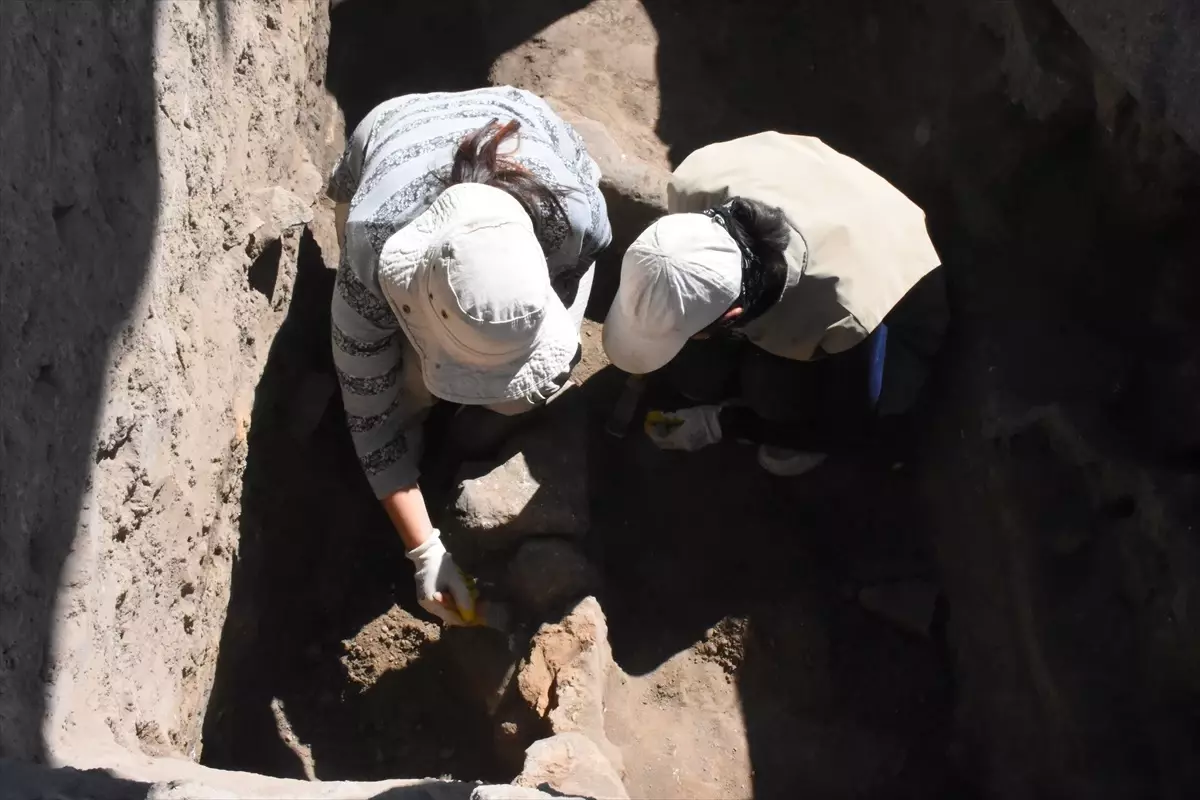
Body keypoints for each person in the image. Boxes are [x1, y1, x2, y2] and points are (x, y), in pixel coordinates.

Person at [329, 87, 610, 625]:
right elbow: (368, 416)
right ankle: (421, 424)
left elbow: (562, 284)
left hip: (522, 118)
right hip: (395, 128)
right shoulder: (370, 259)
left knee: (521, 396)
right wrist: (424, 550)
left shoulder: (576, 221)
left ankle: (465, 404)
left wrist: (507, 362)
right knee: (399, 391)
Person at [602, 132, 946, 475]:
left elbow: (853, 424)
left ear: (731, 317)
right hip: (825, 192)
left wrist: (726, 422)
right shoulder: (695, 184)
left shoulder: (844, 314)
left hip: (897, 302)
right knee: (697, 377)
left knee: (770, 394)